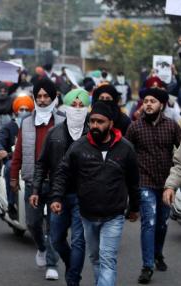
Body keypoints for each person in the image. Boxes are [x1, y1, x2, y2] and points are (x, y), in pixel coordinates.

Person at [50, 101, 140, 286]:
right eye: (92, 121)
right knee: (96, 259)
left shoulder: (126, 148)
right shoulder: (80, 146)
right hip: (87, 215)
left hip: (113, 215)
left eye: (100, 122)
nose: (95, 126)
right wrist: (57, 197)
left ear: (111, 124)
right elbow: (62, 171)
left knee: (107, 260)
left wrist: (134, 208)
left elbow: (133, 182)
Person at [33, 89, 90, 286]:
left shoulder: (92, 133)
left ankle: (73, 279)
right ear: (64, 108)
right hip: (57, 195)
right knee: (56, 239)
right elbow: (42, 163)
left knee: (78, 241)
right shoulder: (54, 133)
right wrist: (35, 190)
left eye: (81, 106)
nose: (76, 109)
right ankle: (71, 264)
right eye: (73, 106)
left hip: (82, 197)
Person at [125, 88, 181, 284]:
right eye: (146, 101)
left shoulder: (172, 126)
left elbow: (180, 154)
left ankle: (158, 254)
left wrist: (174, 183)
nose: (148, 104)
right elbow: (126, 154)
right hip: (144, 182)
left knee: (162, 223)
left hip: (166, 184)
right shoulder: (135, 128)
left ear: (162, 105)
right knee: (148, 222)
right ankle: (147, 266)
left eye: (153, 101)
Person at [10, 78, 64, 280]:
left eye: (45, 96)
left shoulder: (63, 121)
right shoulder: (25, 122)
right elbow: (18, 154)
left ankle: (52, 263)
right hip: (33, 181)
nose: (42, 100)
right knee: (32, 223)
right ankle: (41, 247)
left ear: (53, 98)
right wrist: (13, 177)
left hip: (57, 183)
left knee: (54, 225)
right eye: (38, 96)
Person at [0, 95, 34, 220]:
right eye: (21, 109)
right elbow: (0, 139)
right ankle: (11, 203)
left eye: (27, 109)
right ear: (16, 111)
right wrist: (1, 150)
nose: (24, 112)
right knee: (9, 168)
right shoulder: (10, 126)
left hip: (32, 161)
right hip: (13, 160)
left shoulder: (35, 126)